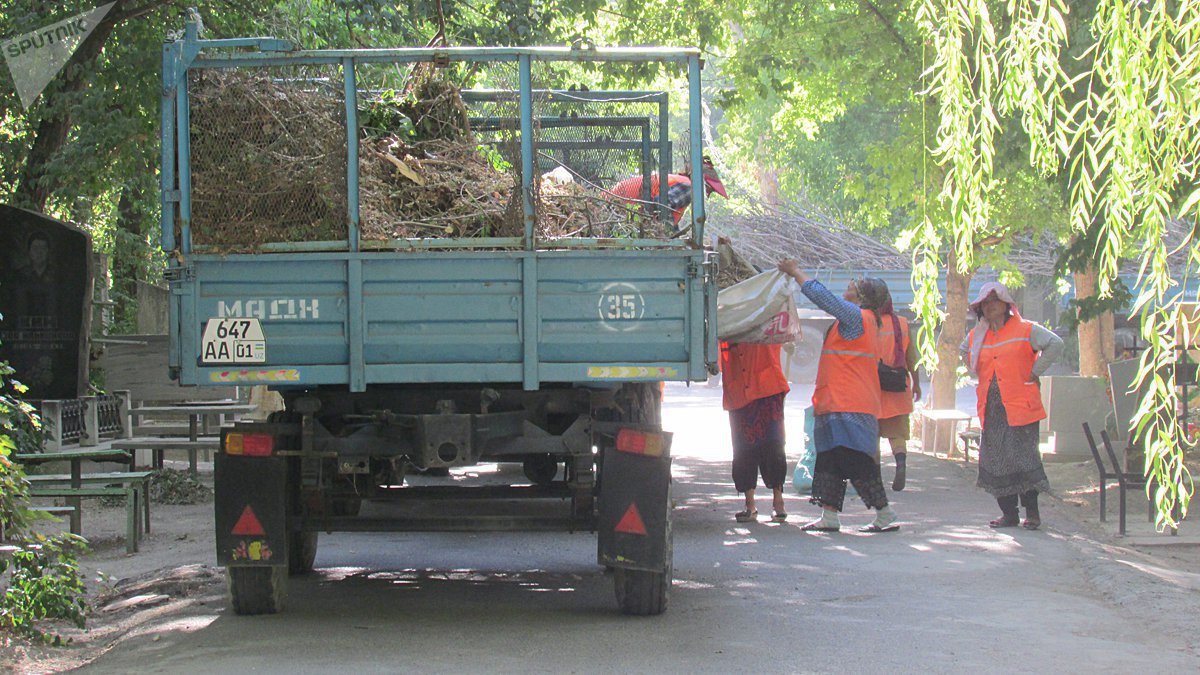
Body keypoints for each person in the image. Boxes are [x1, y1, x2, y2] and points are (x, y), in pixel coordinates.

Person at [777, 261, 899, 533]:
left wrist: (796, 272)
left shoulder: (858, 316)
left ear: (863, 296)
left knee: (855, 461)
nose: (849, 287)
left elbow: (822, 297)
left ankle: (885, 513)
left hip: (848, 403)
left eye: (854, 285)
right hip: (838, 401)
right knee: (830, 460)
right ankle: (830, 516)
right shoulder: (863, 319)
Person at [961, 281, 1064, 530]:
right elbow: (964, 351)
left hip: (1020, 406)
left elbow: (1055, 344)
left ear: (1006, 305)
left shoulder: (1026, 329)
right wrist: (972, 367)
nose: (990, 307)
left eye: (994, 302)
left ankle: (1032, 514)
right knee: (995, 459)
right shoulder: (977, 336)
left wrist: (1034, 371)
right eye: (985, 303)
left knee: (1024, 460)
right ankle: (1009, 514)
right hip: (992, 409)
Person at [720, 338, 790, 523]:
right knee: (743, 450)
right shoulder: (727, 322)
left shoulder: (764, 318)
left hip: (768, 388)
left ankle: (778, 502)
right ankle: (750, 505)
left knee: (774, 446)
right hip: (738, 392)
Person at [607, 156, 727, 229]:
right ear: (703, 182)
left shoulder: (680, 181)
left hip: (611, 209)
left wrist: (676, 235)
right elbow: (661, 206)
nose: (707, 194)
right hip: (612, 211)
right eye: (708, 189)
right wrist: (670, 236)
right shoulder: (689, 188)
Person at [877, 293, 921, 491]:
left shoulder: (869, 323)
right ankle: (900, 462)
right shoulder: (902, 323)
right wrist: (916, 383)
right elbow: (912, 357)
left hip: (874, 385)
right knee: (896, 434)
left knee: (872, 434)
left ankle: (875, 476)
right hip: (898, 384)